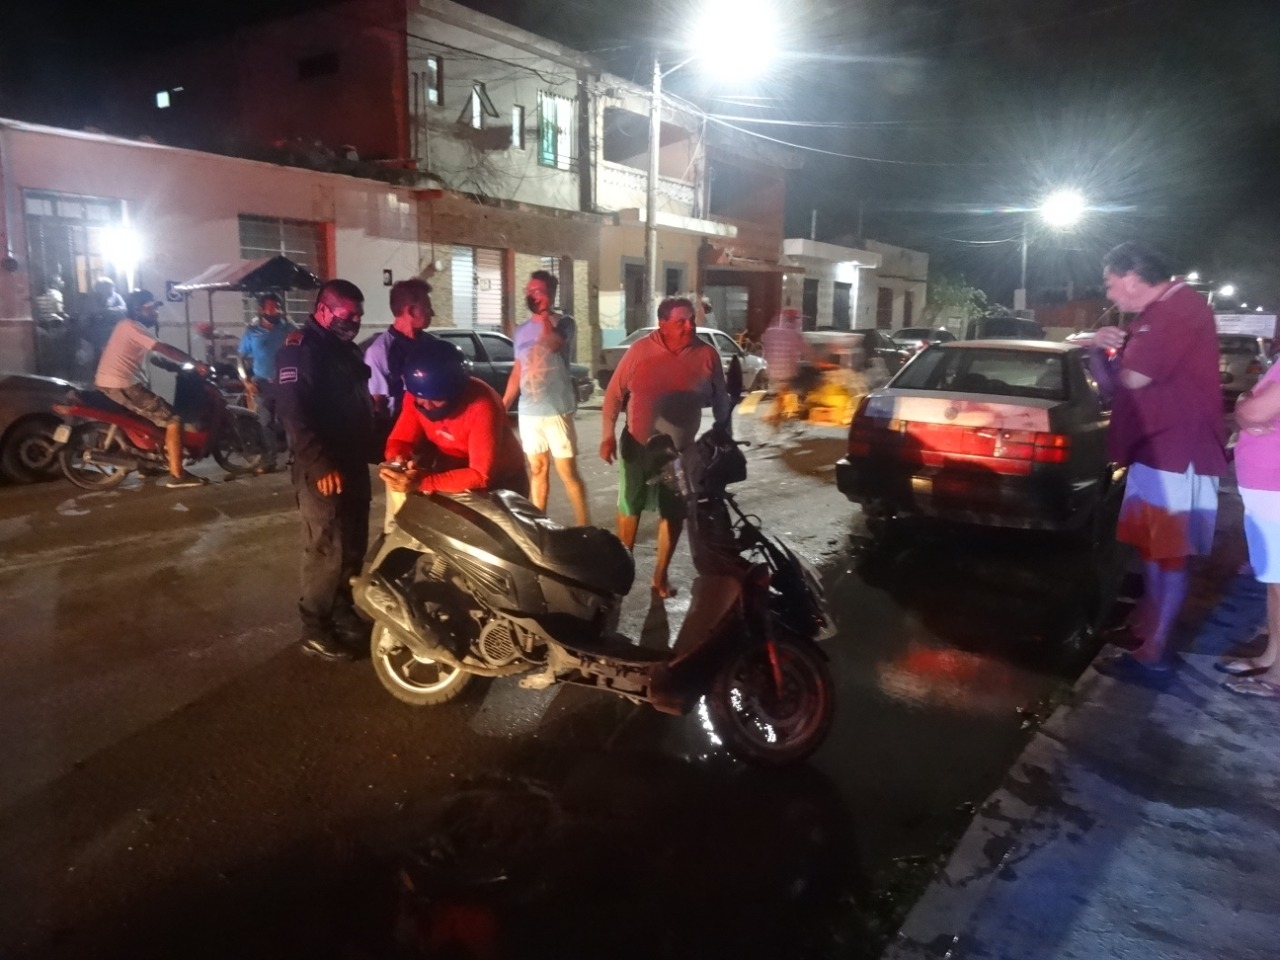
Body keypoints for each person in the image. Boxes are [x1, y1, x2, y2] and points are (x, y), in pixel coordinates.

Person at [1090, 242, 1228, 677]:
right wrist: (1101, 349)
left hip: (1176, 454)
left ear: (1132, 277)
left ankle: (1156, 644)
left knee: (1169, 553)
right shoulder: (1154, 316)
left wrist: (1107, 353)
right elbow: (1116, 386)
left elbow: (1132, 378)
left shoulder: (1177, 310)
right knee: (1153, 548)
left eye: (1111, 284)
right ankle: (1149, 627)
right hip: (1155, 450)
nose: (1110, 294)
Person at [600, 296, 732, 599]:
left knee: (673, 513)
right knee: (629, 508)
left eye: (691, 320)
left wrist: (723, 429)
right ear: (663, 324)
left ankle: (659, 577)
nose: (689, 326)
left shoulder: (707, 355)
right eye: (680, 321)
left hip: (680, 453)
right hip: (638, 446)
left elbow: (721, 397)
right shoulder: (639, 352)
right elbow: (613, 395)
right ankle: (622, 572)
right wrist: (607, 436)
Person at [275, 279, 378, 662]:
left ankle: (341, 610)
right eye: (347, 314)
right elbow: (294, 413)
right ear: (323, 309)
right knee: (327, 549)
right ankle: (315, 627)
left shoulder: (344, 350)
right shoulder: (301, 351)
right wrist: (320, 463)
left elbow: (358, 404)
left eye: (359, 315)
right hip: (323, 467)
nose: (355, 321)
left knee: (352, 545)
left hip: (351, 462)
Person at [380, 335, 528, 500]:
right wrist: (398, 460)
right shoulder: (414, 396)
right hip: (453, 468)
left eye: (437, 400)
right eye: (421, 400)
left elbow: (480, 475)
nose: (427, 406)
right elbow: (400, 441)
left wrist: (423, 481)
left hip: (502, 479)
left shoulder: (481, 405)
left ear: (457, 392)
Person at [93, 289, 212, 489]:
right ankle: (177, 475)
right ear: (138, 310)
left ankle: (148, 464)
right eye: (151, 309)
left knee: (147, 421)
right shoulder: (132, 327)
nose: (156, 313)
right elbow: (163, 348)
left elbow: (152, 355)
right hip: (123, 384)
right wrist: (195, 363)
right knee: (172, 419)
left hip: (111, 382)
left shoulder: (126, 327)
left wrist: (170, 365)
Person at [501, 270, 590, 526]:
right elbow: (518, 370)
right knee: (538, 471)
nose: (532, 295)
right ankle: (539, 526)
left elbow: (552, 343)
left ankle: (585, 528)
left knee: (568, 473)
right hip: (529, 412)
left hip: (556, 410)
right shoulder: (521, 331)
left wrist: (542, 316)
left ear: (550, 294)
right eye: (529, 291)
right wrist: (504, 404)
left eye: (538, 291)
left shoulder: (565, 322)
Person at [1217, 367, 1280, 698]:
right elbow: (1252, 403)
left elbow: (1253, 410)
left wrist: (1247, 409)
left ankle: (1278, 676)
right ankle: (1272, 656)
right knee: (1275, 582)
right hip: (1267, 487)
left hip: (1276, 487)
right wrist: (1249, 405)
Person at [364, 278, 435, 437]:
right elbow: (377, 404)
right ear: (410, 311)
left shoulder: (432, 345)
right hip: (401, 433)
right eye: (428, 307)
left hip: (433, 433)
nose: (432, 313)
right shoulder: (379, 351)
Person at [237, 293, 293, 473]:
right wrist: (246, 381)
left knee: (290, 420)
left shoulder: (288, 329)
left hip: (286, 383)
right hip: (261, 384)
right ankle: (269, 460)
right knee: (265, 421)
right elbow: (240, 358)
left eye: (276, 306)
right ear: (261, 309)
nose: (273, 310)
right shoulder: (252, 333)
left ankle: (294, 457)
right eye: (269, 307)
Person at [760, 308, 809, 423]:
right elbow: (808, 352)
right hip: (786, 373)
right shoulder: (794, 335)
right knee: (798, 392)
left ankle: (775, 420)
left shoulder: (770, 332)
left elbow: (766, 348)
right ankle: (773, 420)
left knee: (781, 397)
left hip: (772, 372)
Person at [85, 276, 127, 360]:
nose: (111, 290)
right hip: (99, 333)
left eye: (111, 287)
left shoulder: (116, 296)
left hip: (115, 330)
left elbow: (123, 308)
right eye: (107, 288)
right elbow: (93, 311)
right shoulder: (93, 298)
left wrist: (110, 310)